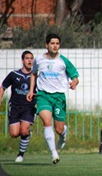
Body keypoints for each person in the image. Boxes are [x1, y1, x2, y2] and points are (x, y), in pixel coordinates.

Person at [26, 33, 79, 164]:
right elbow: (33, 74)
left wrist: (74, 82)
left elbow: (75, 76)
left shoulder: (63, 61)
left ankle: (64, 132)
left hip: (59, 97)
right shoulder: (38, 60)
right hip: (43, 95)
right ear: (46, 45)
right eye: (52, 43)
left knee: (59, 129)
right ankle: (54, 153)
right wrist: (31, 90)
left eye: (57, 43)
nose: (55, 46)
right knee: (47, 122)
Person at [0, 51, 36, 163]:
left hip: (29, 108)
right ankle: (27, 135)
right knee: (14, 134)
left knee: (24, 131)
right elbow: (2, 87)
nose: (29, 60)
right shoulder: (14, 75)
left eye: (31, 58)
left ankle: (20, 154)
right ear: (22, 60)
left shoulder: (35, 76)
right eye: (27, 58)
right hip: (15, 107)